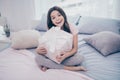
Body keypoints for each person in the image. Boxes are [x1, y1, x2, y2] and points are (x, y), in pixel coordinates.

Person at [36, 6, 86, 71]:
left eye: (59, 15)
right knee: (38, 58)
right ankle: (70, 68)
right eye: (53, 18)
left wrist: (65, 55)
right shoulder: (51, 29)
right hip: (52, 55)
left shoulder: (72, 27)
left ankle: (50, 65)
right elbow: (45, 44)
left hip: (67, 55)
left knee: (80, 58)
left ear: (63, 15)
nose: (57, 19)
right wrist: (38, 50)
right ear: (51, 21)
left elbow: (75, 49)